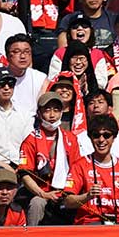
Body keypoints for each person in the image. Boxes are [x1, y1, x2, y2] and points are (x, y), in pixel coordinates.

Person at [17, 92, 81, 225]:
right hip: (41, 192)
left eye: (56, 110)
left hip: (66, 190)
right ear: (39, 113)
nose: (52, 115)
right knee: (37, 203)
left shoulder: (70, 138)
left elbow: (76, 170)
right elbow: (24, 174)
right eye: (47, 110)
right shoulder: (31, 139)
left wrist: (70, 193)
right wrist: (43, 194)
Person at [63, 115, 119, 225]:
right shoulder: (80, 165)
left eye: (106, 135)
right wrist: (87, 196)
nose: (101, 140)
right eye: (96, 135)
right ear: (90, 137)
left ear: (114, 137)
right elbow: (67, 201)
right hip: (90, 223)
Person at [6, 34, 48, 118]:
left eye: (27, 52)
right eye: (17, 52)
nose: (23, 56)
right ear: (7, 55)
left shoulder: (40, 78)